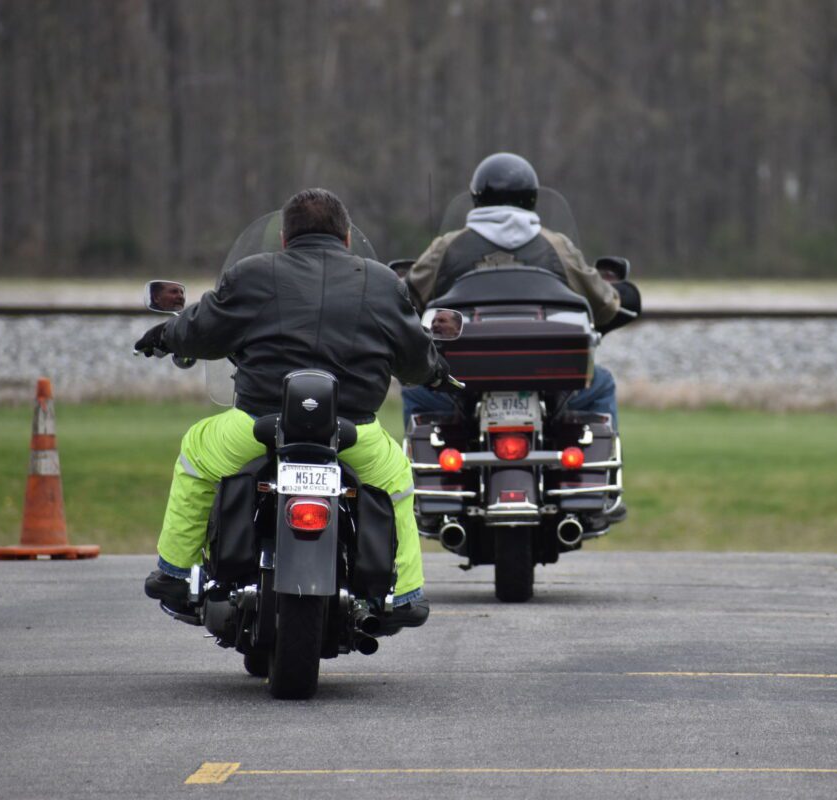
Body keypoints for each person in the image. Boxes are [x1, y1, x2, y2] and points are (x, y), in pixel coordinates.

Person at [136, 188, 449, 633]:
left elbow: (202, 328)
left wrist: (166, 335)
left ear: (285, 239)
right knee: (398, 478)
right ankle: (406, 594)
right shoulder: (382, 283)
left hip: (257, 426)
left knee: (196, 451)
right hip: (352, 433)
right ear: (345, 239)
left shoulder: (252, 274)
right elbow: (417, 358)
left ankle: (173, 571)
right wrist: (439, 372)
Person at [403, 152, 621, 428]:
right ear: (531, 196)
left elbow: (407, 300)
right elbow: (605, 306)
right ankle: (595, 461)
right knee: (602, 385)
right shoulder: (557, 247)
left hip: (461, 385)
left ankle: (423, 464)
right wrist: (615, 295)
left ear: (477, 196)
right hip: (550, 380)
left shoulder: (447, 247)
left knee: (414, 388)